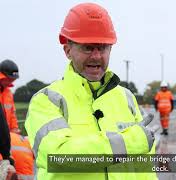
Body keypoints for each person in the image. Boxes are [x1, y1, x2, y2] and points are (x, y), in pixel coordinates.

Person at [25, 3, 156, 180]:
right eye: (87, 47)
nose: (96, 56)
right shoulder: (47, 100)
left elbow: (144, 167)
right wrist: (129, 141)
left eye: (102, 47)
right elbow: (56, 157)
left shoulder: (126, 98)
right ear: (68, 50)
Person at [0, 59, 20, 134]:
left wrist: (14, 128)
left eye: (12, 80)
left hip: (7, 136)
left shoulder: (8, 93)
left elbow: (12, 114)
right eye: (9, 79)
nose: (10, 82)